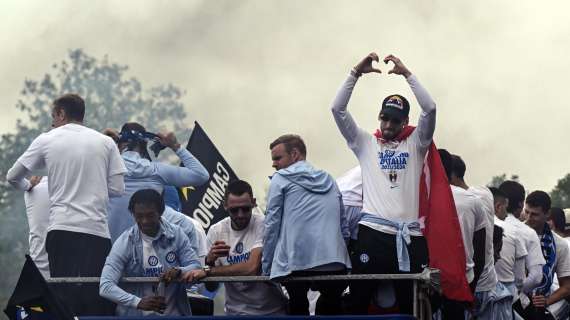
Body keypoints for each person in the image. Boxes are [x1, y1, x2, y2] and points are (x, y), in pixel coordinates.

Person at [331, 52, 470, 313]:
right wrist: (354, 74)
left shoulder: (416, 144)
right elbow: (337, 109)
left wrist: (408, 74)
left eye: (395, 120)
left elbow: (430, 108)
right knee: (360, 302)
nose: (388, 124)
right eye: (384, 118)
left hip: (409, 237)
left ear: (405, 122)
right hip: (372, 234)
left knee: (412, 307)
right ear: (379, 117)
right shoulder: (365, 143)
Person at [6, 93, 126, 316]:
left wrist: (27, 185)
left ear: (61, 113)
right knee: (98, 297)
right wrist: (93, 186)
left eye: (53, 116)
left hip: (62, 231)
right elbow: (118, 189)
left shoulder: (47, 138)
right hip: (97, 232)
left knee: (63, 300)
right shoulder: (107, 142)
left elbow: (12, 176)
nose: (52, 123)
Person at [262, 134, 351, 315]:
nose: (274, 164)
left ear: (295, 154)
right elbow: (344, 227)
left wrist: (266, 266)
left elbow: (271, 225)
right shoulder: (330, 179)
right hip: (334, 260)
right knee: (331, 306)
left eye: (278, 158)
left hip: (296, 261)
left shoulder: (279, 179)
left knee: (296, 304)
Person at [99, 189, 202, 316]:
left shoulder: (177, 235)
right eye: (139, 216)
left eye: (150, 215)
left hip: (175, 315)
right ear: (133, 214)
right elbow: (105, 286)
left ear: (160, 212)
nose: (145, 221)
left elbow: (196, 267)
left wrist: (180, 271)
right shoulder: (124, 242)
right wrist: (138, 302)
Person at [191, 180, 287, 315]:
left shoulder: (263, 224)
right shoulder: (216, 231)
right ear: (225, 205)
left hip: (272, 311)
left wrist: (209, 271)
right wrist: (210, 261)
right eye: (234, 210)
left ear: (253, 202)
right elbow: (211, 287)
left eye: (246, 208)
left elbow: (251, 268)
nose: (240, 215)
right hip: (235, 312)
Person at [107, 122, 209, 243]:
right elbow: (201, 175)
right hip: (146, 252)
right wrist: (175, 146)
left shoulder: (105, 168)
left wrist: (103, 142)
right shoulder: (157, 171)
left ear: (118, 144)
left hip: (107, 250)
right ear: (144, 145)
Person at [438, 149, 486, 318]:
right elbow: (481, 252)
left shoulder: (419, 198)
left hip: (428, 279)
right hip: (462, 279)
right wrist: (470, 290)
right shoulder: (472, 200)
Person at [517, 191, 570, 319]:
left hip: (538, 310)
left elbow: (567, 286)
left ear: (547, 214)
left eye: (534, 214)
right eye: (527, 212)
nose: (529, 218)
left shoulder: (559, 244)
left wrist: (546, 301)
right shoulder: (514, 235)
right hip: (514, 303)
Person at [499, 181, 545, 295]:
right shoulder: (527, 233)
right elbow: (536, 277)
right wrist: (517, 292)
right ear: (521, 204)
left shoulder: (487, 224)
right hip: (512, 298)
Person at [491, 187, 528, 300]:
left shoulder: (473, 226)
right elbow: (520, 279)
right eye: (505, 209)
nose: (507, 214)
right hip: (508, 295)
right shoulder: (514, 231)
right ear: (498, 207)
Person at [23, 176, 50, 278]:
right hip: (62, 264)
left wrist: (28, 185)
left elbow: (13, 177)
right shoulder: (64, 190)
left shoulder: (32, 190)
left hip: (38, 264)